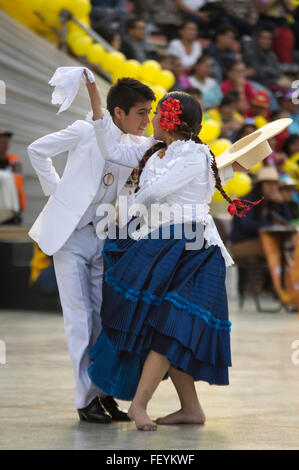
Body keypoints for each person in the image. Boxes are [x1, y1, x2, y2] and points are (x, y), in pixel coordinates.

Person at [84, 75, 253, 431]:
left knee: (170, 325)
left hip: (194, 249)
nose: (152, 119)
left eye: (157, 113)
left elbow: (155, 192)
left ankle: (139, 406)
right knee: (168, 326)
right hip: (163, 243)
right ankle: (191, 409)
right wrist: (97, 106)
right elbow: (112, 151)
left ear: (171, 121)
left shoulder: (194, 154)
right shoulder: (157, 150)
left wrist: (124, 211)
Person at [28, 70, 156, 424]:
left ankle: (103, 394)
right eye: (142, 112)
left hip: (103, 235)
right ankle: (85, 401)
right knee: (79, 320)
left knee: (105, 318)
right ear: (118, 112)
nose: (148, 119)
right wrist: (59, 194)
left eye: (150, 111)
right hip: (69, 235)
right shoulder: (86, 129)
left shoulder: (133, 146)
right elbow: (36, 150)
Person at [0, 129, 26, 224]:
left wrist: (21, 206)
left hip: (11, 212)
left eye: (7, 142)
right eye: (2, 142)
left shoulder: (14, 161)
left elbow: (19, 184)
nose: (5, 145)